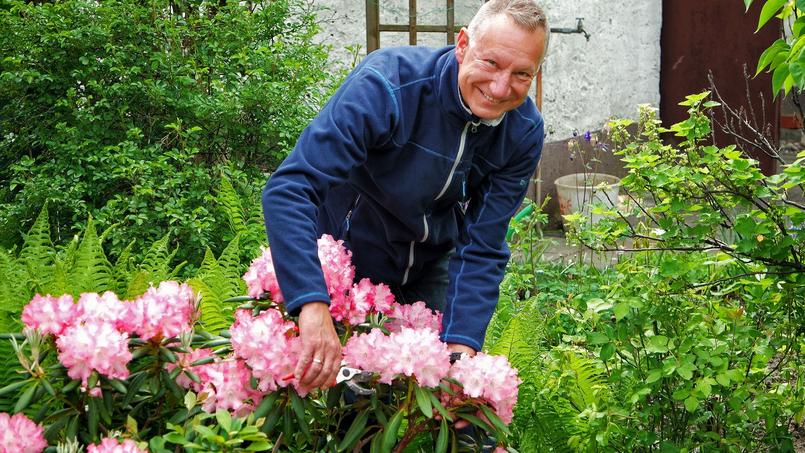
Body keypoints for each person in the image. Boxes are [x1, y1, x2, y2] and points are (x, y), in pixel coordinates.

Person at [262, 0, 549, 393]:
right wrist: (311, 304)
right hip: (353, 256)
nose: (501, 88)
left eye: (521, 74)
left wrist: (462, 354)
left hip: (430, 266)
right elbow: (290, 188)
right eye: (491, 64)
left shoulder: (523, 132)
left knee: (429, 406)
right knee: (346, 407)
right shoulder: (388, 85)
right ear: (462, 44)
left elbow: (483, 245)